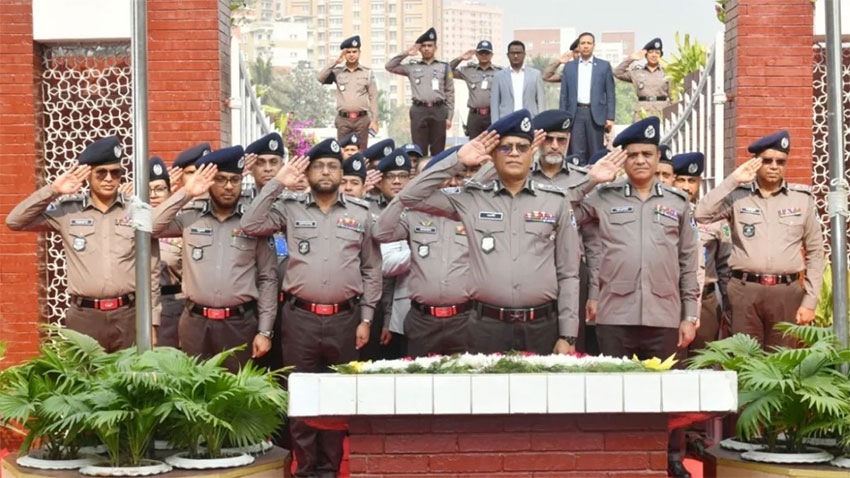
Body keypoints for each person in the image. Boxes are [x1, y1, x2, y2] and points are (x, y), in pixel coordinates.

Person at [239, 138, 381, 478]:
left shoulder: (361, 214)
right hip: (300, 318)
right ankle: (304, 469)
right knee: (301, 396)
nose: (326, 172)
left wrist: (366, 318)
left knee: (337, 397)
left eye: (332, 166)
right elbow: (251, 224)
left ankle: (330, 469)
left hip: (345, 318)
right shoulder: (290, 207)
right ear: (308, 172)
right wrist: (278, 183)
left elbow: (371, 269)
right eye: (319, 166)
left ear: (342, 173)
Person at [397, 109, 592, 355]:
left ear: (531, 153)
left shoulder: (556, 200)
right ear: (492, 155)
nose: (514, 153)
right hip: (485, 327)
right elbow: (409, 197)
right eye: (505, 148)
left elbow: (569, 273)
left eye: (522, 147)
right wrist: (457, 160)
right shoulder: (471, 198)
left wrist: (568, 335)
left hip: (542, 325)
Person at [571, 117, 699, 478]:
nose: (640, 160)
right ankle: (616, 460)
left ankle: (670, 458)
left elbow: (689, 261)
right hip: (616, 315)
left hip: (664, 315)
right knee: (616, 394)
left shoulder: (678, 202)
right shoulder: (603, 197)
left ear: (658, 158)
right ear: (623, 160)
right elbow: (561, 208)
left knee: (665, 396)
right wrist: (591, 179)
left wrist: (689, 314)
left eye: (647, 154)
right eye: (632, 154)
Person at [6, 136, 161, 352]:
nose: (109, 179)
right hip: (84, 317)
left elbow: (151, 269)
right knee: (84, 373)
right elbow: (15, 221)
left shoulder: (135, 210)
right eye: (101, 173)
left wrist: (151, 321)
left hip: (129, 314)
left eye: (115, 173)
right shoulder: (68, 211)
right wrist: (54, 190)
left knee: (129, 373)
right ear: (88, 175)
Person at [694, 130, 825, 347]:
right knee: (744, 358)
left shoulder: (802, 199)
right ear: (756, 162)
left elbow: (816, 252)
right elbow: (701, 214)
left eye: (780, 161)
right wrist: (733, 180)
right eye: (767, 160)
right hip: (744, 291)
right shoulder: (738, 195)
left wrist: (810, 301)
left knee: (782, 359)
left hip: (786, 293)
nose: (774, 166)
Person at [151, 146, 276, 371]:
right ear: (209, 182)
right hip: (195, 323)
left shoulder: (253, 222)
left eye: (235, 180)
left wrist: (265, 331)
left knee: (235, 389)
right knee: (192, 388)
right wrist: (186, 192)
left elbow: (268, 278)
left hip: (239, 324)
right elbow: (151, 227)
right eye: (221, 179)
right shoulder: (191, 216)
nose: (228, 186)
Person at [374, 146, 474, 357]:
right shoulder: (412, 213)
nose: (452, 183)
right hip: (423, 320)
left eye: (458, 177)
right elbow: (381, 233)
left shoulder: (472, 212)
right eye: (445, 177)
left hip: (465, 319)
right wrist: (404, 197)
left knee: (466, 376)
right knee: (420, 376)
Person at [672, 152, 732, 350]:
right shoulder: (663, 217)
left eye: (692, 181)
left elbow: (724, 265)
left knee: (703, 360)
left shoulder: (715, 219)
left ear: (699, 183)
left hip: (706, 300)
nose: (686, 187)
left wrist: (728, 307)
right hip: (671, 298)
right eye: (680, 180)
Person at [386, 27, 455, 156]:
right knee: (418, 150)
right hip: (419, 110)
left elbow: (450, 92)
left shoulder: (444, 67)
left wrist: (450, 116)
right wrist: (407, 53)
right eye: (423, 46)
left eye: (430, 45)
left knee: (438, 151)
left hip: (439, 110)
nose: (426, 49)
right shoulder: (412, 67)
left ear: (435, 47)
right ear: (419, 49)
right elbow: (390, 66)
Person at [558, 32, 616, 163]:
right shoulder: (569, 67)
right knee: (577, 153)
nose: (585, 46)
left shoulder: (604, 66)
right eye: (583, 43)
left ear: (594, 46)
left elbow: (610, 93)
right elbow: (564, 95)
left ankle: (595, 176)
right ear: (578, 46)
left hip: (596, 115)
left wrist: (610, 117)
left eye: (589, 43)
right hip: (576, 114)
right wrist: (563, 117)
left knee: (596, 152)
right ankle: (578, 175)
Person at [318, 35, 378, 151]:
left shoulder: (367, 73)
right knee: (342, 152)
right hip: (343, 120)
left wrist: (374, 120)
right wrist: (335, 62)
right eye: (348, 52)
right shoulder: (337, 72)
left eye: (354, 52)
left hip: (362, 120)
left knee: (362, 152)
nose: (351, 55)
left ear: (359, 53)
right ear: (344, 54)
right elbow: (320, 78)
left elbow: (373, 97)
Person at [150, 156, 183, 348]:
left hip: (172, 308)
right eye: (148, 190)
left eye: (160, 189)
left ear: (170, 193)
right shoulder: (127, 224)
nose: (153, 195)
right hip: (133, 308)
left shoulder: (181, 226)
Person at [450, 40, 502, 138]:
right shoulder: (469, 71)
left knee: (493, 143)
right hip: (475, 116)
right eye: (481, 53)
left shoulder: (499, 72)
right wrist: (460, 58)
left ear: (492, 55)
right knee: (474, 145)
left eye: (487, 53)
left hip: (493, 115)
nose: (484, 55)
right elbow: (446, 72)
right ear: (476, 55)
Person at [614, 38, 671, 121]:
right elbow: (617, 73)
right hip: (642, 112)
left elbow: (674, 98)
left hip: (662, 111)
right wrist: (631, 59)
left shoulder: (667, 73)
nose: (654, 55)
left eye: (657, 53)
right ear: (646, 55)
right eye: (651, 52)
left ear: (661, 56)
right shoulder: (637, 73)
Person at [490, 41, 545, 121]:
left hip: (529, 121)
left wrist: (541, 122)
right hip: (506, 121)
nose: (515, 56)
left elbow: (541, 102)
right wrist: (495, 125)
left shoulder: (535, 75)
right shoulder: (498, 77)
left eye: (518, 53)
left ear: (524, 54)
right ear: (508, 55)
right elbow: (494, 105)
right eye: (512, 53)